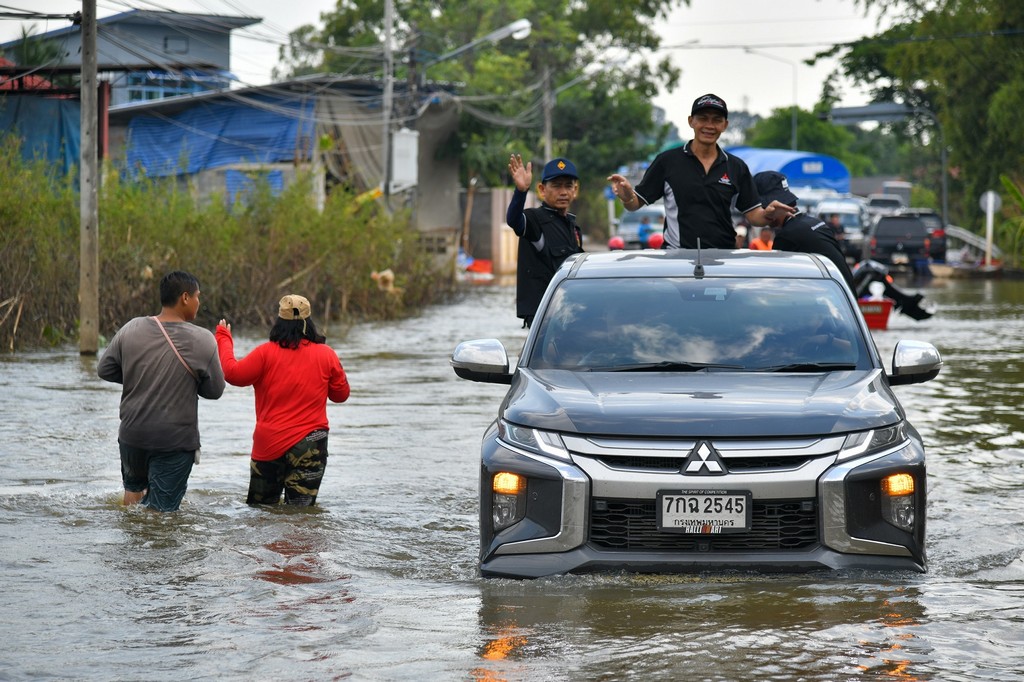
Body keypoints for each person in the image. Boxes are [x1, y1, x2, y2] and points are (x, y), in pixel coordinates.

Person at [97, 270, 225, 512]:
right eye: (198, 296)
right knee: (160, 515)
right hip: (173, 441)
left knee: (133, 497)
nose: (200, 302)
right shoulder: (203, 339)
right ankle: (152, 549)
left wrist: (140, 376)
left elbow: (104, 369)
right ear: (185, 298)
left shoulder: (131, 328)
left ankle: (131, 547)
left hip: (132, 435)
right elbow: (215, 390)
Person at [607, 94, 794, 249]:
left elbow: (754, 216)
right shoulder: (667, 161)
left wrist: (769, 214)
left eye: (716, 120)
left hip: (723, 258)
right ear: (691, 121)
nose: (709, 126)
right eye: (703, 118)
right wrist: (626, 196)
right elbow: (634, 204)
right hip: (676, 257)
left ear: (725, 125)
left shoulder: (736, 167)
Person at [216, 294, 350, 506]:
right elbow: (340, 395)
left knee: (261, 512)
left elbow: (232, 373)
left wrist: (224, 338)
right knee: (301, 514)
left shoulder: (264, 353)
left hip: (269, 443)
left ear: (279, 320)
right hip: (311, 444)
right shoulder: (327, 354)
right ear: (309, 322)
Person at [506, 154, 585, 327]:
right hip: (543, 316)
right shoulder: (534, 220)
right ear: (542, 190)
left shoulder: (572, 225)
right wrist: (520, 192)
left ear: (575, 190)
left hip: (569, 311)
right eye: (556, 186)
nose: (563, 192)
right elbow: (514, 220)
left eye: (568, 186)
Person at [753, 171, 855, 289]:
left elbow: (780, 286)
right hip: (845, 299)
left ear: (774, 206)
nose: (763, 214)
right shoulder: (814, 222)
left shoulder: (787, 236)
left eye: (763, 208)